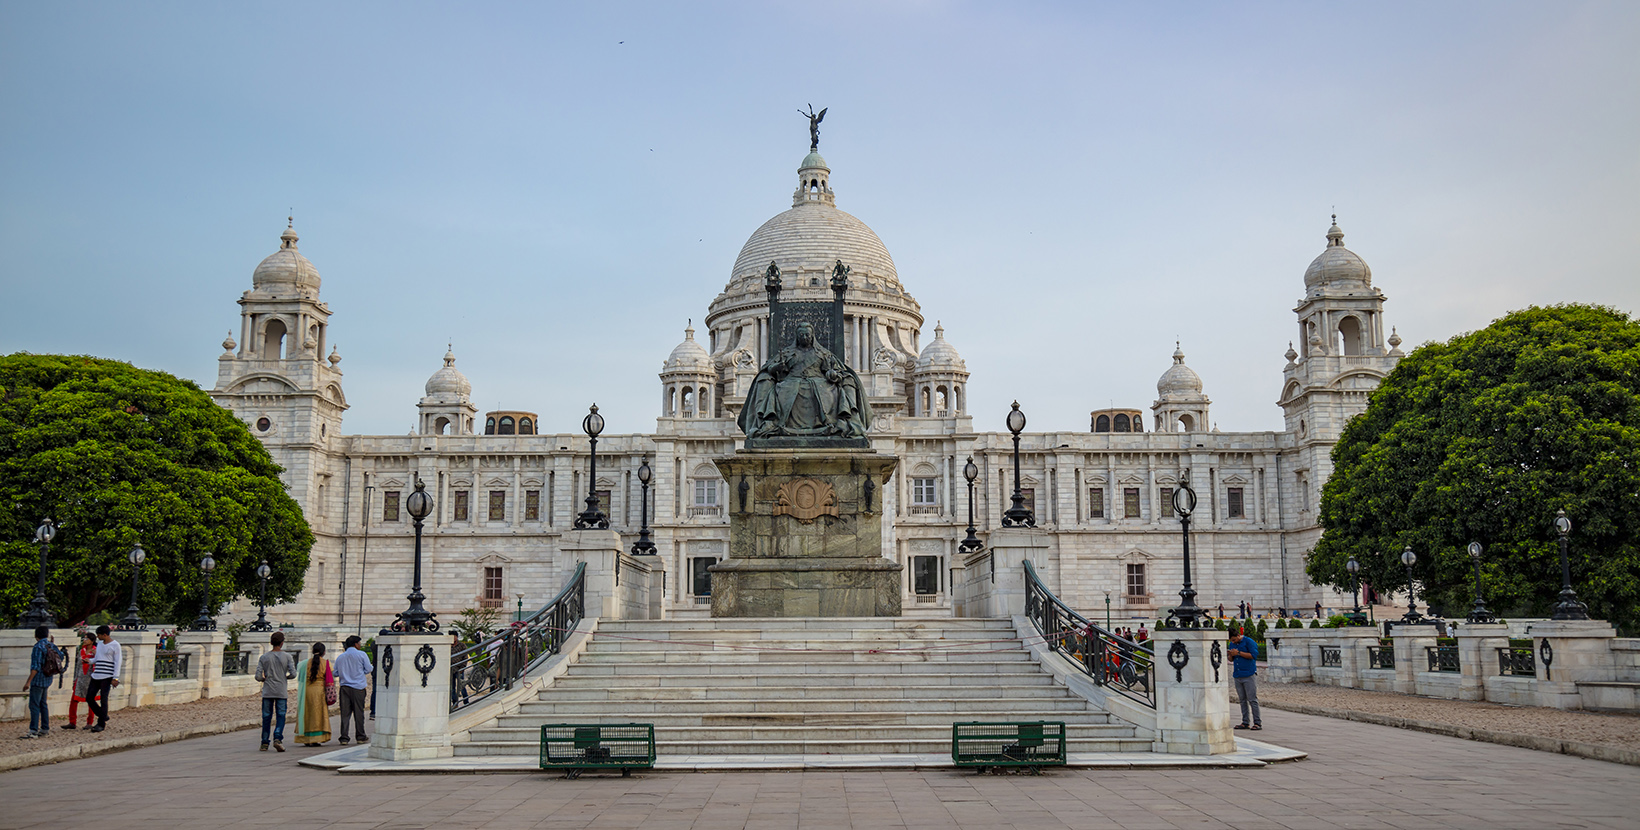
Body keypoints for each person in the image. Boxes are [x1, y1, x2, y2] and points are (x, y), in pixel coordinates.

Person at [255, 631, 296, 752]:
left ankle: (264, 742)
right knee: (281, 715)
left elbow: (258, 676)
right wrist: (284, 677)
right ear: (282, 643)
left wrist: (264, 679)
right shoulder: (287, 657)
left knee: (266, 716)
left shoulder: (264, 657)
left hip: (268, 690)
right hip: (281, 689)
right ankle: (277, 738)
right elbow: (293, 674)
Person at [22, 626, 65, 739]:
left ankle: (33, 730)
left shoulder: (38, 647)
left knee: (34, 705)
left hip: (38, 679)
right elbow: (61, 656)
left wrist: (28, 682)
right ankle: (45, 728)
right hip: (48, 678)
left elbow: (35, 667)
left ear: (35, 635)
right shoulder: (51, 645)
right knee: (43, 704)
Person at [332, 636, 373, 746]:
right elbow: (368, 669)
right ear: (355, 644)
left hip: (344, 687)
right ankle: (360, 736)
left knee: (345, 714)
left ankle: (344, 737)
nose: (360, 645)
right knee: (359, 713)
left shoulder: (341, 657)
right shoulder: (361, 655)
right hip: (358, 687)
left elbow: (335, 673)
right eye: (359, 643)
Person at [293, 642, 334, 746]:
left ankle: (306, 738)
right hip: (319, 691)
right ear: (324, 652)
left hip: (307, 690)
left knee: (307, 713)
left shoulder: (304, 664)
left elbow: (300, 678)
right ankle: (316, 738)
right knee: (318, 715)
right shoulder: (326, 663)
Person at [85, 625, 122, 733]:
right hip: (96, 674)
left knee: (103, 699)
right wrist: (90, 661)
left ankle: (101, 723)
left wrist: (115, 677)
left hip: (107, 675)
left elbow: (117, 662)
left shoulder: (115, 645)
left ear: (105, 635)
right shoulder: (100, 645)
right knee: (89, 697)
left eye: (99, 635)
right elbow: (98, 658)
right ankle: (103, 715)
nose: (98, 637)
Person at [1227, 627, 1262, 731]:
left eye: (1234, 640)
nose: (1233, 642)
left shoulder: (1249, 641)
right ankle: (1245, 721)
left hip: (1249, 673)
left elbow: (1254, 655)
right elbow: (1231, 659)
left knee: (1252, 699)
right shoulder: (1232, 644)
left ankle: (1257, 722)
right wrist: (1230, 655)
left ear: (1238, 636)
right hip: (1238, 674)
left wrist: (1238, 653)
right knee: (1242, 700)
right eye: (1231, 641)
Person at [65, 631, 97, 730]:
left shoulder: (96, 651)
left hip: (91, 678)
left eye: (87, 638)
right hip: (80, 677)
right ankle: (72, 722)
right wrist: (75, 679)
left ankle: (90, 722)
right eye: (84, 638)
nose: (85, 640)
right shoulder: (81, 651)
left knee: (91, 701)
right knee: (74, 700)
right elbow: (78, 665)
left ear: (92, 641)